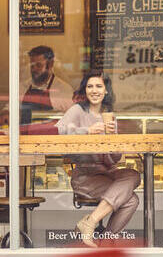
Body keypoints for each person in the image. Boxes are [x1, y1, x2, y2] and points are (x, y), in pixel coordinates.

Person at [55, 70, 140, 247]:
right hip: (86, 177)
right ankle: (105, 240)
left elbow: (114, 159)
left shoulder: (109, 116)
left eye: (99, 86)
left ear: (106, 90)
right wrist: (87, 131)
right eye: (90, 86)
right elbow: (59, 132)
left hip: (107, 173)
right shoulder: (77, 110)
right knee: (132, 200)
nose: (94, 90)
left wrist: (113, 142)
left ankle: (91, 224)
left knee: (134, 175)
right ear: (85, 90)